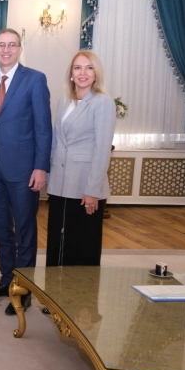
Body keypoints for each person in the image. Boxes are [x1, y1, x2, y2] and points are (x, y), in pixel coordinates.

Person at [0, 28, 52, 315]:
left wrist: (41, 167)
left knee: (24, 230)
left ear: (20, 49)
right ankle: (6, 280)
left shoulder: (35, 79)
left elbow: (43, 128)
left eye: (12, 45)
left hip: (24, 169)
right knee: (1, 229)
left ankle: (24, 288)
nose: (6, 50)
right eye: (1, 45)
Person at [46, 50, 115, 267]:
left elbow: (102, 149)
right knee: (57, 241)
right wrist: (49, 176)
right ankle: (53, 286)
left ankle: (81, 289)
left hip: (85, 185)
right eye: (78, 68)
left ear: (96, 74)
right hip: (59, 183)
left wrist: (93, 190)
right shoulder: (64, 101)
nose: (83, 73)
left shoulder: (103, 103)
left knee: (82, 243)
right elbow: (56, 141)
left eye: (89, 68)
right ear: (71, 74)